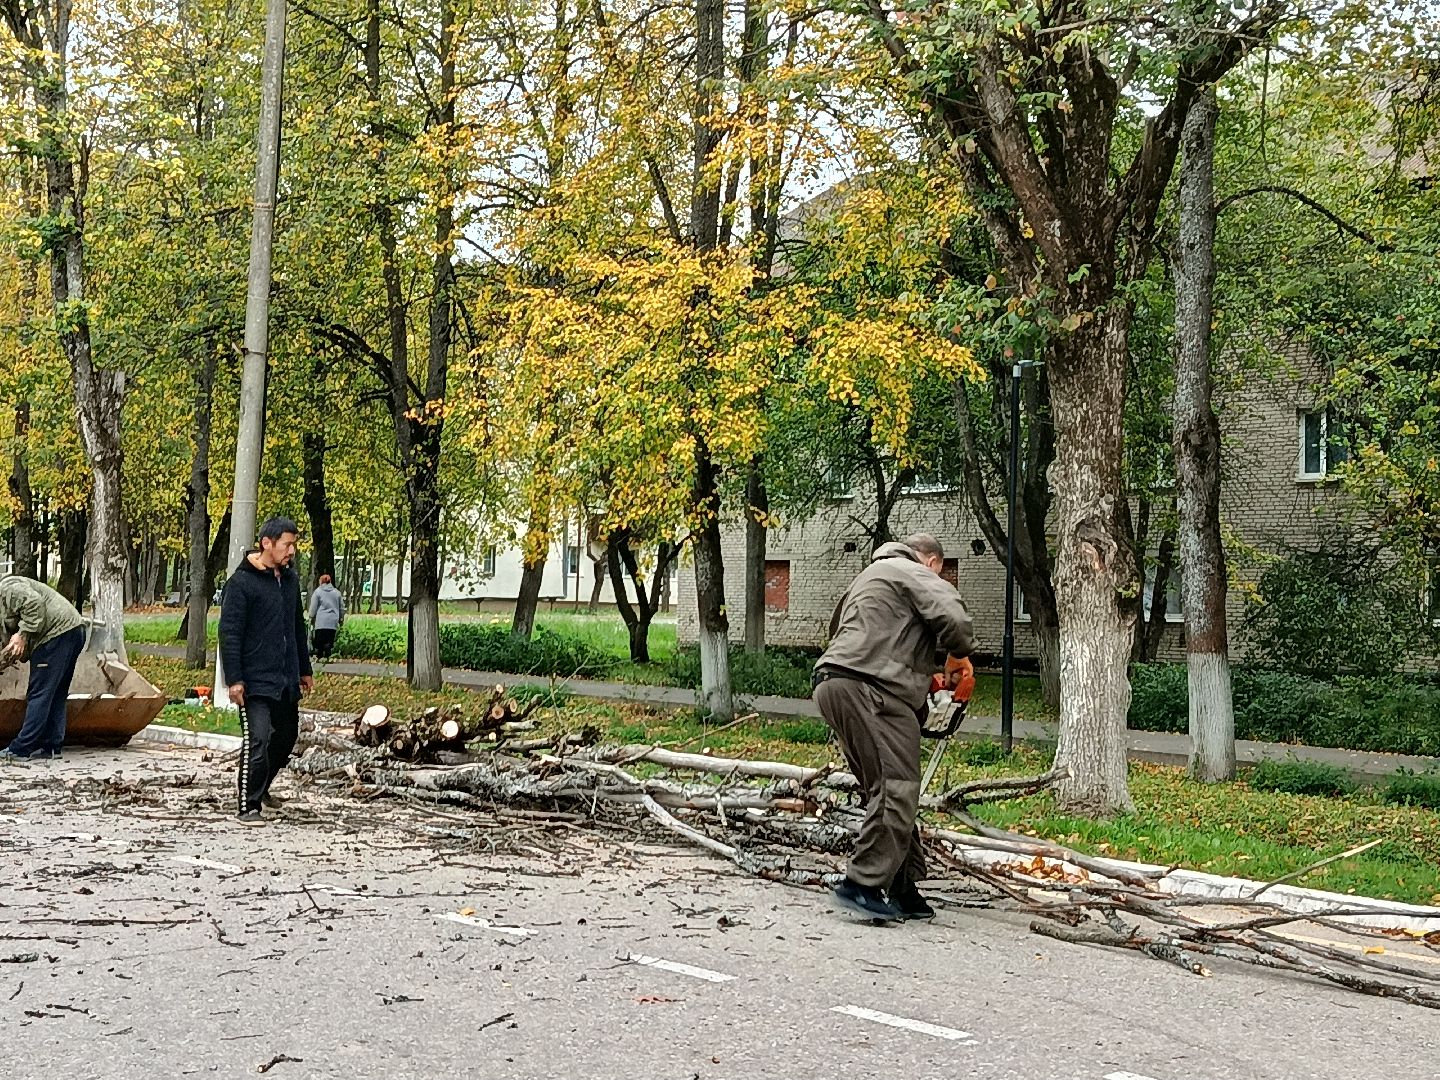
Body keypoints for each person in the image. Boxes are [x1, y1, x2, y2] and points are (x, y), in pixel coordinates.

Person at [813, 533, 974, 923]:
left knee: (883, 787)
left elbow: (859, 638)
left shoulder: (868, 577)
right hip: (872, 689)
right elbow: (953, 616)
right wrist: (957, 654)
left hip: (834, 684)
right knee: (897, 787)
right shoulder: (912, 570)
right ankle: (862, 884)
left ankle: (903, 888)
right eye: (939, 570)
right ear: (932, 561)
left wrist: (921, 682)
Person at [219, 517, 313, 823]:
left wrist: (304, 668)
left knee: (285, 738)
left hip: (285, 678)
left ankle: (262, 788)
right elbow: (229, 633)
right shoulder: (241, 583)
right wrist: (234, 680)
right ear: (267, 543)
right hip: (254, 681)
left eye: (294, 545)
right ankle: (248, 805)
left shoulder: (290, 580)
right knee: (258, 739)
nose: (292, 551)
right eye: (287, 544)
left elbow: (297, 627)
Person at [0, 575, 87, 763]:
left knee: (39, 693)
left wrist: (23, 634)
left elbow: (34, 604)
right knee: (55, 693)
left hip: (57, 634)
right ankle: (52, 746)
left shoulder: (7, 588)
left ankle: (21, 749)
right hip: (73, 630)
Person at [307, 573, 344, 659]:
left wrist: (311, 616)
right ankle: (328, 652)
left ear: (321, 582)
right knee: (329, 639)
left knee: (319, 641)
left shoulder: (317, 592)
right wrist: (341, 618)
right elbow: (341, 607)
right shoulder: (337, 593)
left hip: (321, 621)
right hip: (332, 621)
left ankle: (319, 655)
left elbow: (313, 607)